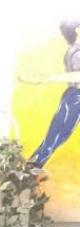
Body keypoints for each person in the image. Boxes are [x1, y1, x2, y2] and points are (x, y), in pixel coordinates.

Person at [23, 21, 80, 167]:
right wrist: (48, 78)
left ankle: (32, 166)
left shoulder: (73, 50)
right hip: (76, 96)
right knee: (58, 134)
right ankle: (33, 166)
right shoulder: (77, 52)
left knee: (57, 134)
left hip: (73, 95)